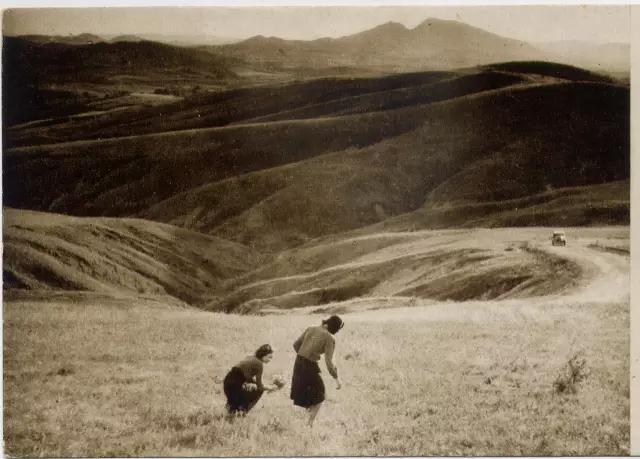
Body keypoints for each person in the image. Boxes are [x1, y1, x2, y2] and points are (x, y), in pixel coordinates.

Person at [290, 315, 344, 426]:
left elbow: (295, 345)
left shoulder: (310, 328)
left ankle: (307, 419)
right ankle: (309, 424)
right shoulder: (330, 338)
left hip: (298, 363)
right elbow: (328, 362)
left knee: (308, 393)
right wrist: (337, 379)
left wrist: (303, 354)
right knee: (320, 394)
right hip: (309, 365)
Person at [223, 344, 277, 416]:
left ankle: (234, 409)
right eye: (269, 357)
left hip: (227, 382)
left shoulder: (251, 357)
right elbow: (260, 386)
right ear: (263, 355)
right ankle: (242, 411)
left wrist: (258, 383)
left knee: (232, 406)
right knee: (259, 391)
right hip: (235, 386)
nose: (270, 360)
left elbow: (247, 376)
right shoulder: (259, 364)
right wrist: (270, 388)